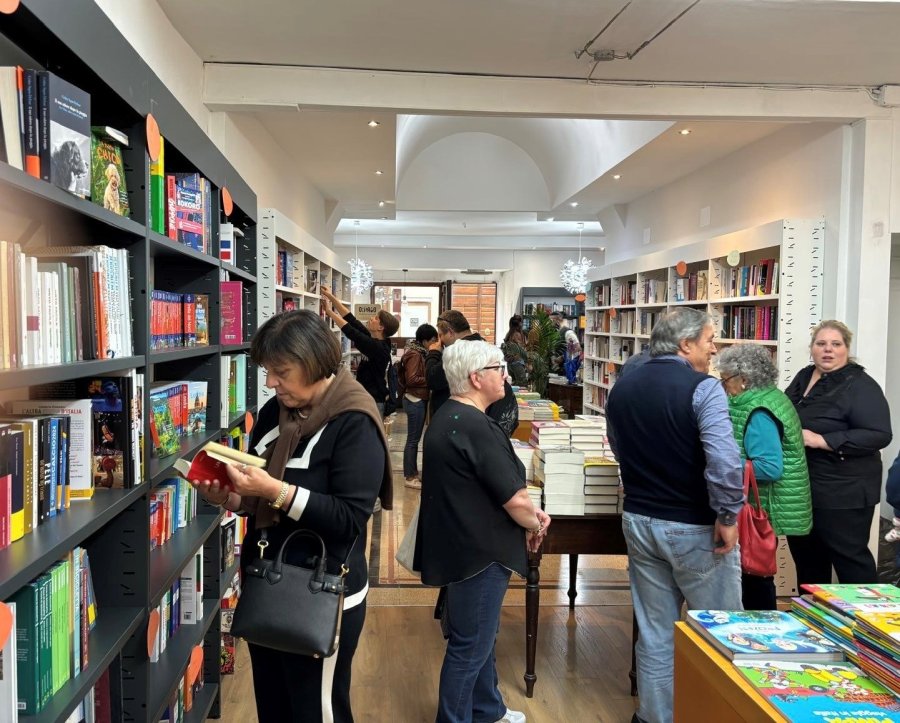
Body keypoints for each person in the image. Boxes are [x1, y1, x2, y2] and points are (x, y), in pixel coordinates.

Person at [186, 309, 392, 723]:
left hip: (323, 592)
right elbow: (260, 496)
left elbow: (348, 518)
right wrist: (228, 497)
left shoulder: (354, 421)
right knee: (275, 706)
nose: (270, 383)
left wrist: (273, 490)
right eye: (267, 371)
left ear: (316, 362)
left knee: (316, 709)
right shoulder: (273, 412)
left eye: (280, 371)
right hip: (268, 582)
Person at [604, 308, 744, 723]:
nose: (714, 348)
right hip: (694, 523)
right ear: (686, 345)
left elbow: (616, 444)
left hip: (639, 518)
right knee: (719, 628)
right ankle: (720, 713)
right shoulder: (704, 389)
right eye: (709, 340)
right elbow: (723, 461)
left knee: (655, 631)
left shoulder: (623, 388)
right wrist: (728, 514)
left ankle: (654, 716)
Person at [414, 339, 551, 723]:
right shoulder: (477, 427)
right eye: (499, 368)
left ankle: (487, 710)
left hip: (460, 545)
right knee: (470, 646)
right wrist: (536, 521)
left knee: (478, 638)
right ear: (477, 378)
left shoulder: (448, 416)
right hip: (480, 553)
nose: (506, 375)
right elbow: (515, 499)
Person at [784, 320, 892, 586]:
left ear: (847, 348)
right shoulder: (804, 376)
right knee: (808, 562)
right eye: (821, 344)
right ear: (812, 349)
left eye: (836, 344)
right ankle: (812, 622)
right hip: (802, 489)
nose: (828, 350)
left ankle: (865, 625)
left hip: (844, 492)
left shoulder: (861, 385)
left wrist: (823, 440)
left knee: (851, 562)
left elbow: (880, 434)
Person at [716, 344, 813, 610]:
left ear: (744, 380)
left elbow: (770, 467)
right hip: (764, 504)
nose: (724, 387)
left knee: (754, 574)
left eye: (726, 379)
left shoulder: (759, 411)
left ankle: (760, 636)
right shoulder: (765, 398)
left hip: (763, 508)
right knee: (752, 575)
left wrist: (720, 463)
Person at [425, 309, 519, 436]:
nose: (439, 341)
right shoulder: (482, 345)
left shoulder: (461, 353)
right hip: (478, 421)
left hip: (462, 424)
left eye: (441, 335)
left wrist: (433, 353)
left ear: (451, 333)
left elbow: (432, 379)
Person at [321, 287, 399, 416]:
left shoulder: (379, 348)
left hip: (374, 400)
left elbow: (351, 332)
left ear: (381, 327)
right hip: (366, 397)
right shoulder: (372, 338)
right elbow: (351, 320)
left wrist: (329, 312)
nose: (371, 319)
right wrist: (331, 296)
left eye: (375, 318)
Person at [399, 323, 438, 489]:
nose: (435, 344)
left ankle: (413, 473)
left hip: (416, 398)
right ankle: (410, 476)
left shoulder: (419, 352)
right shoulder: (415, 354)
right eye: (433, 340)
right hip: (414, 399)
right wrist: (430, 379)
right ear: (425, 340)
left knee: (414, 439)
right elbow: (412, 379)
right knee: (413, 440)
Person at [502, 314, 528, 386]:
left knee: (515, 385)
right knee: (522, 385)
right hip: (518, 363)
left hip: (510, 364)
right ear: (520, 324)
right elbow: (521, 350)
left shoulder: (509, 334)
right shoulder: (517, 335)